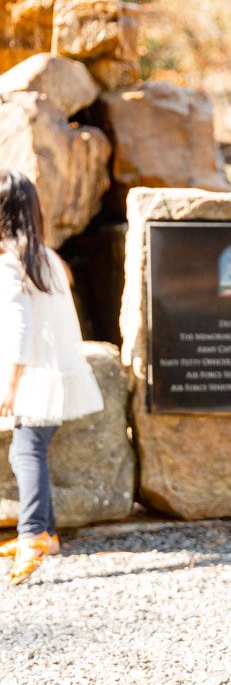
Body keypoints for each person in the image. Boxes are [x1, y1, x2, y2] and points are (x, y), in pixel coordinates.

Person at [0, 170, 103, 587]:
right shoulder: (46, 260)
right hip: (56, 372)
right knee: (31, 449)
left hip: (37, 377)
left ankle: (33, 537)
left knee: (25, 452)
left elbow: (19, 330)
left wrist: (10, 383)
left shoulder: (12, 265)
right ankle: (48, 534)